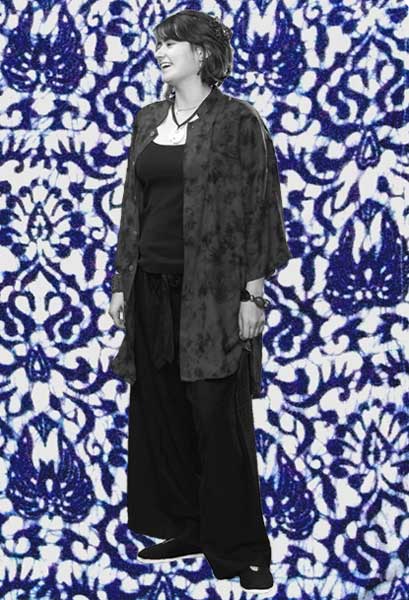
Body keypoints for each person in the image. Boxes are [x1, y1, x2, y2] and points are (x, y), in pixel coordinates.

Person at [108, 8, 292, 593]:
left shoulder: (238, 120)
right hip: (150, 288)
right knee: (163, 412)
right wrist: (121, 282)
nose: (160, 51)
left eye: (172, 43)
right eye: (158, 43)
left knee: (218, 419)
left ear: (204, 53)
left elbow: (260, 205)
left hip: (212, 294)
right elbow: (133, 205)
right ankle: (188, 526)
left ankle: (242, 549)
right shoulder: (148, 119)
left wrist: (253, 292)